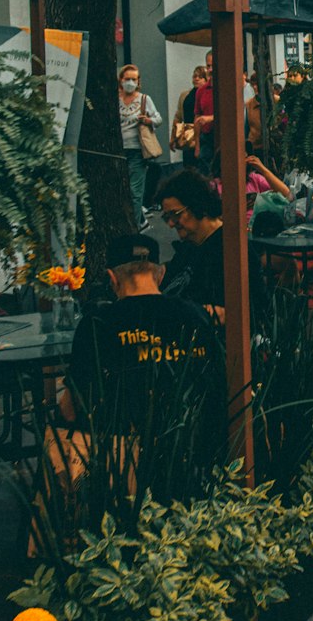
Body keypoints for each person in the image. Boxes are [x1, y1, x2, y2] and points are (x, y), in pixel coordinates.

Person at [60, 233, 219, 433]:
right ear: (161, 274)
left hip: (123, 451)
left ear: (112, 278)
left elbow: (71, 409)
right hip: (192, 443)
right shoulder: (197, 315)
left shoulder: (98, 323)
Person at [159, 167, 226, 314]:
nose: (170, 223)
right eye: (166, 217)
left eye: (175, 215)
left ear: (197, 204)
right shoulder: (190, 245)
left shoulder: (229, 247)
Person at [118, 64, 162, 230]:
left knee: (135, 191)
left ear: (138, 81)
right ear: (121, 80)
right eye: (127, 79)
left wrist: (148, 120)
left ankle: (134, 227)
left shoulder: (144, 99)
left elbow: (158, 119)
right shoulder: (116, 99)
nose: (130, 82)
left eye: (133, 79)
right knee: (123, 190)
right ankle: (140, 220)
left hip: (137, 150)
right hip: (119, 151)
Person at [170, 65, 206, 168]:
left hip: (203, 135)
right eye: (195, 76)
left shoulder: (208, 94)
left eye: (201, 77)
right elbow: (178, 116)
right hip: (188, 136)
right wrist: (173, 137)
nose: (197, 79)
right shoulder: (185, 95)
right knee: (189, 166)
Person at [193, 51, 215, 173]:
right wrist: (197, 145)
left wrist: (211, 118)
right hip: (206, 139)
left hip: (224, 138)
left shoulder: (227, 87)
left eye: (213, 66)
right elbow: (197, 117)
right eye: (208, 66)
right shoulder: (201, 91)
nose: (210, 69)